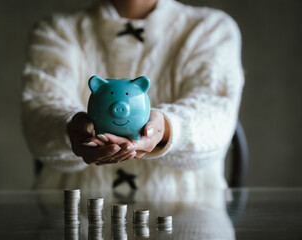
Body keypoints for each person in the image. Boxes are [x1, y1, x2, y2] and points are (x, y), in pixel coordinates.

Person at [21, 0, 244, 196]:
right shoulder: (57, 30)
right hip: (72, 213)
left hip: (188, 212)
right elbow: (38, 114)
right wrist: (70, 128)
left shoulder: (210, 29)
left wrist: (166, 129)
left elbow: (216, 115)